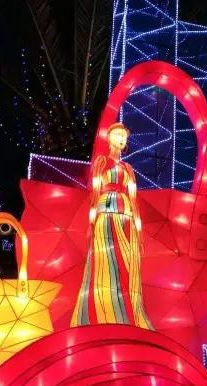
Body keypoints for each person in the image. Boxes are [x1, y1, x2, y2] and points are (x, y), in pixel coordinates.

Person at [71, 123, 154, 330]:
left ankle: (129, 312)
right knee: (105, 261)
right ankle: (102, 311)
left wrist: (137, 226)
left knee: (128, 263)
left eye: (124, 136)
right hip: (106, 213)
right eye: (118, 134)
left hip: (126, 216)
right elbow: (95, 192)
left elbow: (133, 198)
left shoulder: (128, 169)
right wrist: (92, 220)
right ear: (108, 138)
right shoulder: (102, 162)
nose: (122, 139)